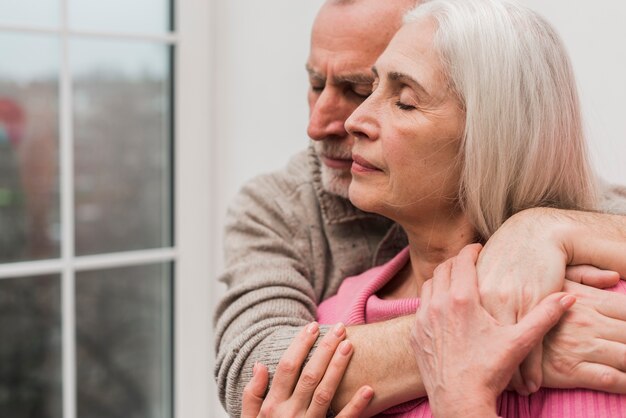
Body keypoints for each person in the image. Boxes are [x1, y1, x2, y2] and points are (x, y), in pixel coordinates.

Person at [214, 0, 626, 415]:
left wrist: (543, 227)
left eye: (397, 98)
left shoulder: (600, 322)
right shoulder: (317, 288)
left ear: (493, 133)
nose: (331, 123)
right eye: (317, 84)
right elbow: (261, 377)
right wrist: (473, 337)